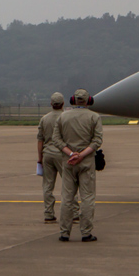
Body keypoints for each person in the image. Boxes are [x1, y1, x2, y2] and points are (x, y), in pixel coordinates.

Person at [52, 88, 102, 242]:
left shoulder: (63, 117)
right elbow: (97, 141)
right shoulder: (94, 117)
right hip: (86, 161)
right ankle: (86, 233)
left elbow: (56, 139)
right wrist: (81, 155)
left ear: (73, 100)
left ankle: (64, 233)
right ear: (89, 101)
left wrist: (71, 154)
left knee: (67, 197)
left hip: (68, 161)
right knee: (87, 198)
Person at [37, 92, 79, 224]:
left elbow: (40, 140)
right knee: (69, 184)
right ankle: (74, 213)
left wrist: (40, 158)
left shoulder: (44, 119)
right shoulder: (66, 117)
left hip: (47, 154)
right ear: (63, 104)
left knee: (48, 186)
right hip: (62, 154)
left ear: (51, 104)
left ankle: (49, 214)